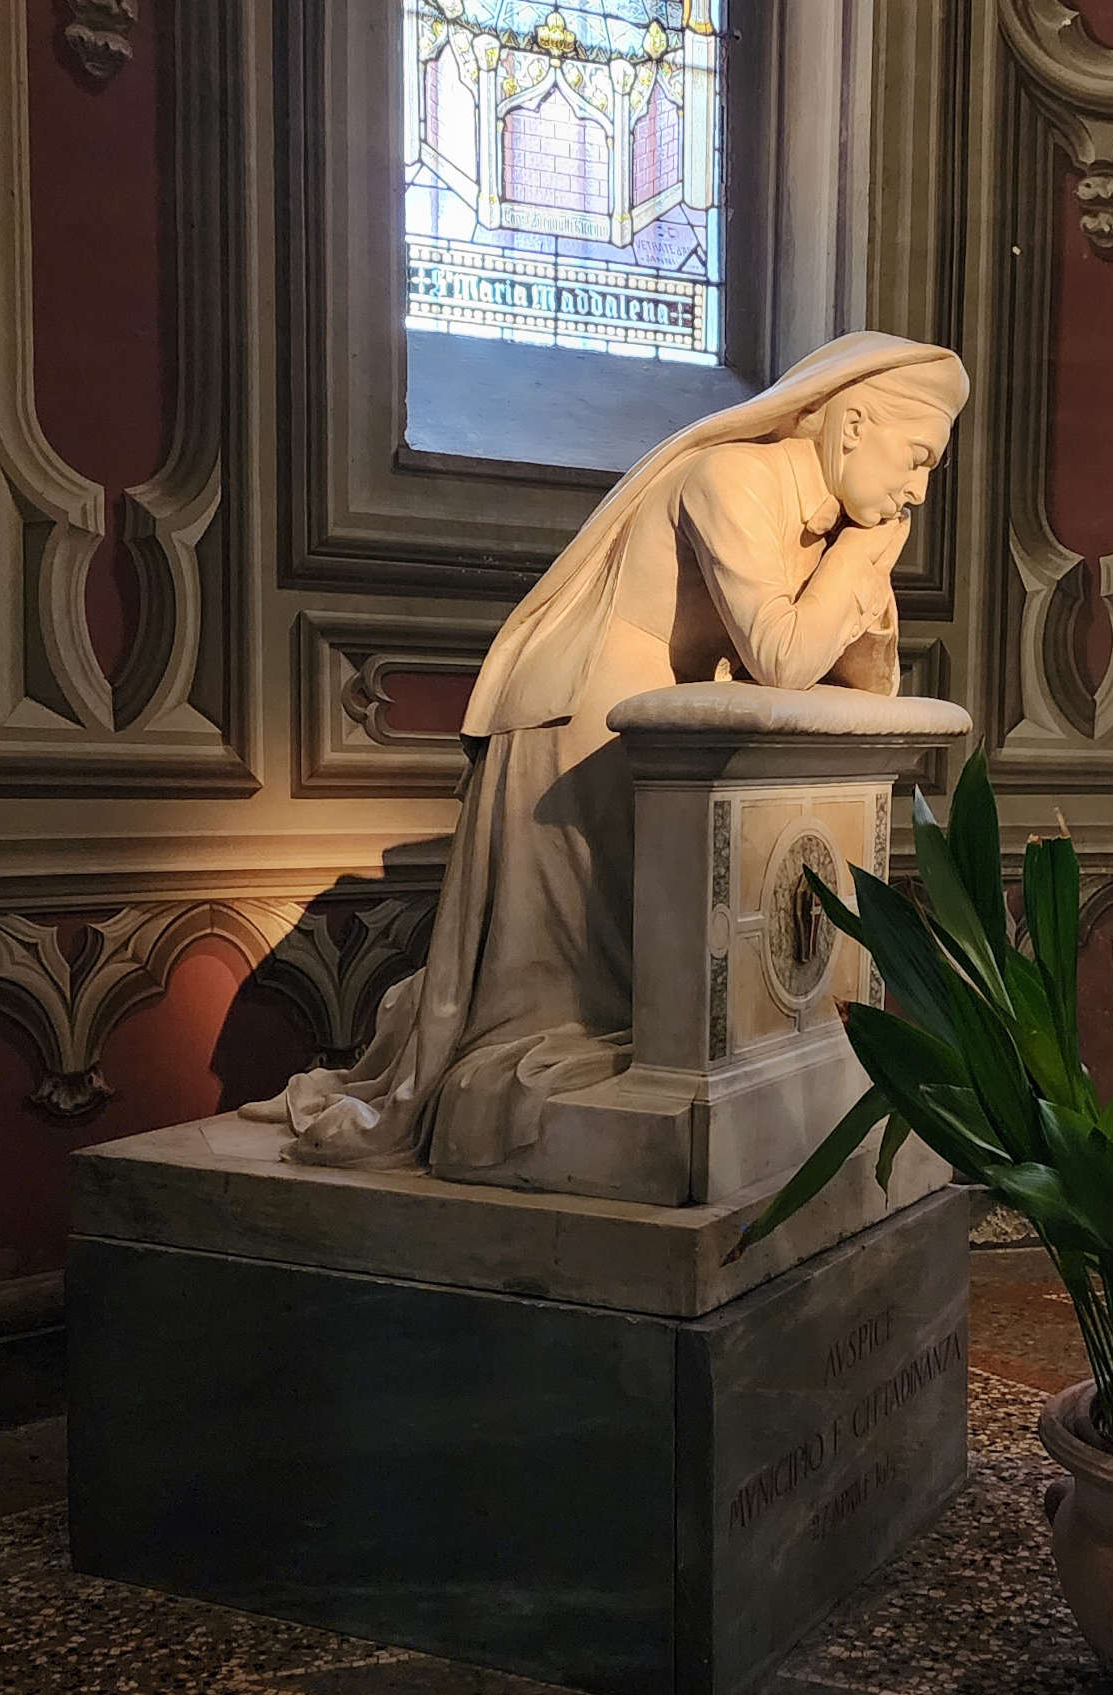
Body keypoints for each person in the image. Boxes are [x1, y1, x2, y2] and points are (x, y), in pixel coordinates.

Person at [242, 334, 969, 1175]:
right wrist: (855, 560)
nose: (917, 489)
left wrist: (854, 564)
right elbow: (780, 655)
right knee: (575, 998)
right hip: (584, 720)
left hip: (662, 718)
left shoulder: (830, 515)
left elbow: (848, 677)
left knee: (649, 974)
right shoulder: (730, 477)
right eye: (915, 459)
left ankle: (709, 1093)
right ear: (849, 427)